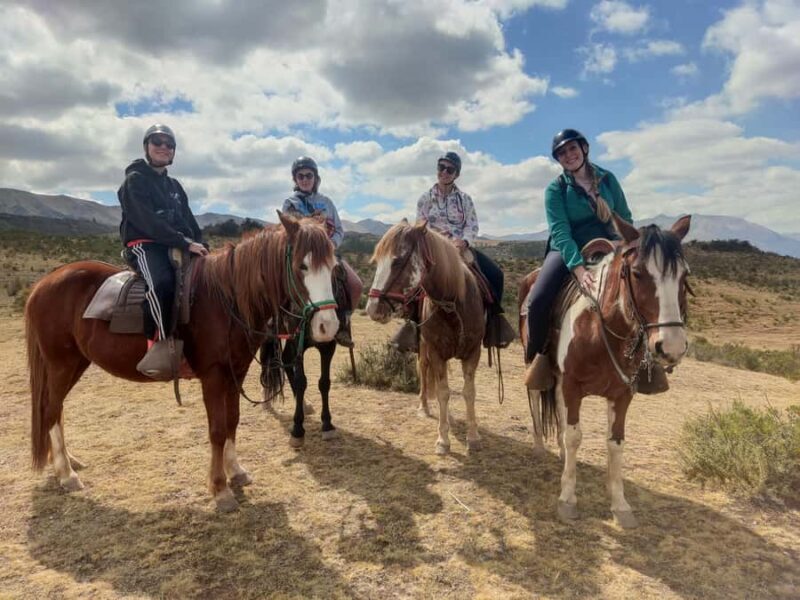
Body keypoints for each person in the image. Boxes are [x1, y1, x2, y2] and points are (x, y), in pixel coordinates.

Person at [524, 128, 667, 394]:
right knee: (538, 299)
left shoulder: (608, 179)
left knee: (643, 287)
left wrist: (624, 245)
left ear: (585, 148)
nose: (569, 155)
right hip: (568, 248)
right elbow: (560, 231)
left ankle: (647, 360)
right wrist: (578, 268)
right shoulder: (556, 189)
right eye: (562, 153)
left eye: (572, 148)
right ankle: (539, 356)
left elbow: (624, 217)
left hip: (610, 246)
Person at [389, 151, 516, 352]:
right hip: (433, 250)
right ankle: (412, 324)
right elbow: (420, 227)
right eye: (442, 167)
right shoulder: (425, 199)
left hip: (460, 247)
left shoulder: (465, 199)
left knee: (496, 275)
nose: (445, 172)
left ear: (457, 174)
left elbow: (472, 225)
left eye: (450, 169)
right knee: (414, 279)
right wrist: (437, 242)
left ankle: (494, 321)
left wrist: (463, 242)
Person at [118, 124, 208, 378]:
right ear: (146, 147)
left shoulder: (175, 187)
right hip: (145, 244)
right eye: (157, 142)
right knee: (162, 284)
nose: (163, 147)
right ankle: (159, 346)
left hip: (177, 244)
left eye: (169, 144)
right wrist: (184, 242)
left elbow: (190, 222)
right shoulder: (134, 181)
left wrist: (202, 245)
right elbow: (147, 220)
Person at [282, 156, 363, 347]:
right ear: (295, 179)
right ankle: (275, 323)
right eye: (300, 176)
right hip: (300, 256)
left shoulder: (326, 202)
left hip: (326, 254)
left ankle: (342, 324)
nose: (305, 179)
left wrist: (330, 247)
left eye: (309, 175)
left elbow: (339, 230)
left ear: (316, 178)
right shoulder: (290, 203)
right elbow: (285, 232)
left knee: (355, 284)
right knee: (278, 282)